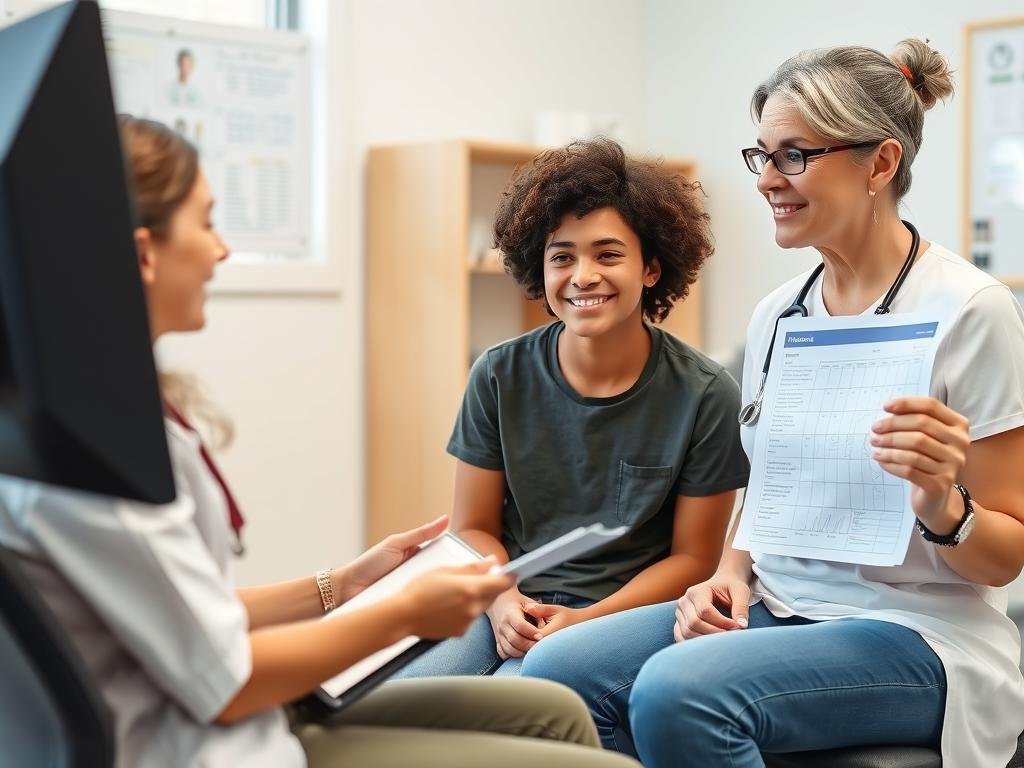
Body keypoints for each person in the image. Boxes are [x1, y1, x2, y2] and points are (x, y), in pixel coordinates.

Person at [0, 116, 640, 768]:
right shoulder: (98, 458)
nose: (221, 250)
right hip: (217, 746)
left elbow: (186, 610)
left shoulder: (80, 417)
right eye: (207, 223)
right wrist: (404, 614)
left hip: (233, 714)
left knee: (553, 712)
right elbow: (229, 679)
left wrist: (343, 583)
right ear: (143, 254)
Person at [521, 39, 1024, 767]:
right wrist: (729, 573)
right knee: (554, 676)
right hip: (776, 602)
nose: (765, 180)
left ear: (880, 164)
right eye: (762, 155)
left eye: (794, 156)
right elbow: (770, 486)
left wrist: (942, 504)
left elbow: (1005, 558)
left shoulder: (972, 310)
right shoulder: (779, 315)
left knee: (678, 692)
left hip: (918, 631)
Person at [398, 138, 749, 679]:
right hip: (504, 595)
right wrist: (502, 599)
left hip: (622, 613)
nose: (583, 275)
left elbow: (692, 560)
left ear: (651, 269)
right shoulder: (497, 374)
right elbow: (472, 527)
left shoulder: (706, 395)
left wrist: (585, 619)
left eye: (608, 254)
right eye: (562, 257)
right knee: (402, 697)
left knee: (515, 699)